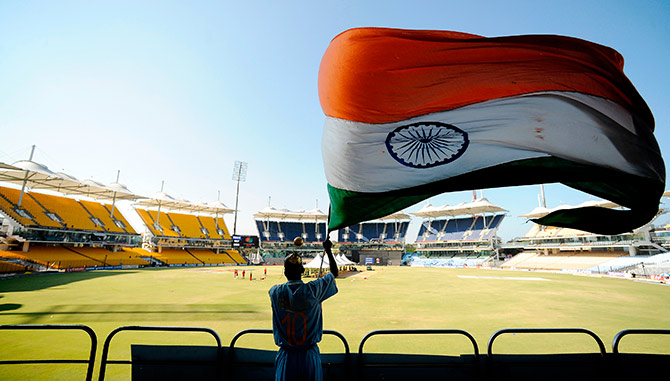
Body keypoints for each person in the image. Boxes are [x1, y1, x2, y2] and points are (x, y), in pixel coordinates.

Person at [269, 237, 338, 381]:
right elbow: (334, 273)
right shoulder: (313, 290)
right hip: (309, 356)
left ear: (285, 271)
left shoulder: (275, 292)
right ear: (302, 270)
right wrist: (328, 251)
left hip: (286, 357)